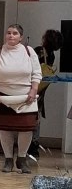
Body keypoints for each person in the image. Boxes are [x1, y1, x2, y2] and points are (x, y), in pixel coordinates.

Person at [0, 22, 42, 173]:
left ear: (21, 37)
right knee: (5, 128)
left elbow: (37, 73)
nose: (11, 35)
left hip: (26, 97)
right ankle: (8, 159)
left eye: (15, 33)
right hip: (3, 96)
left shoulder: (29, 52)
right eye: (8, 33)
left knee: (26, 129)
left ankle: (22, 159)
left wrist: (33, 90)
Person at [29, 28, 63, 159]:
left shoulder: (38, 51)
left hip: (32, 86)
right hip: (41, 89)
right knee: (36, 117)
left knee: (28, 116)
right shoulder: (52, 55)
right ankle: (34, 145)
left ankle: (27, 145)